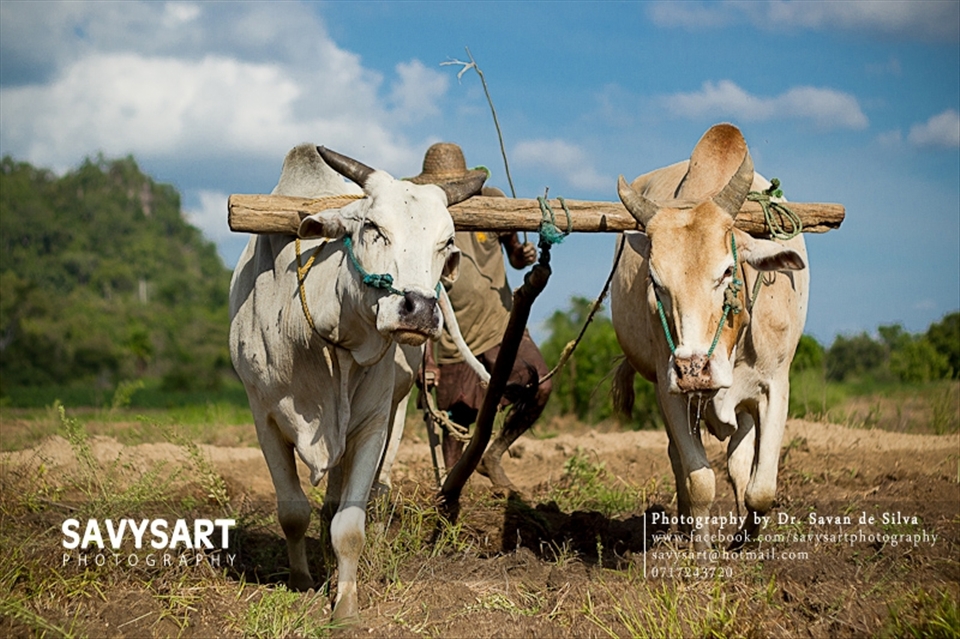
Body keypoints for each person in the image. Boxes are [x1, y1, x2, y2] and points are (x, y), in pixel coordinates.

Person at [409, 142, 552, 491]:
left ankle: (495, 452)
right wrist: (424, 358)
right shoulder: (422, 217)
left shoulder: (491, 200)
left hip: (500, 325)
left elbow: (515, 256)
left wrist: (523, 253)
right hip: (450, 338)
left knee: (540, 386)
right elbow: (416, 285)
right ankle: (450, 495)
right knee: (456, 423)